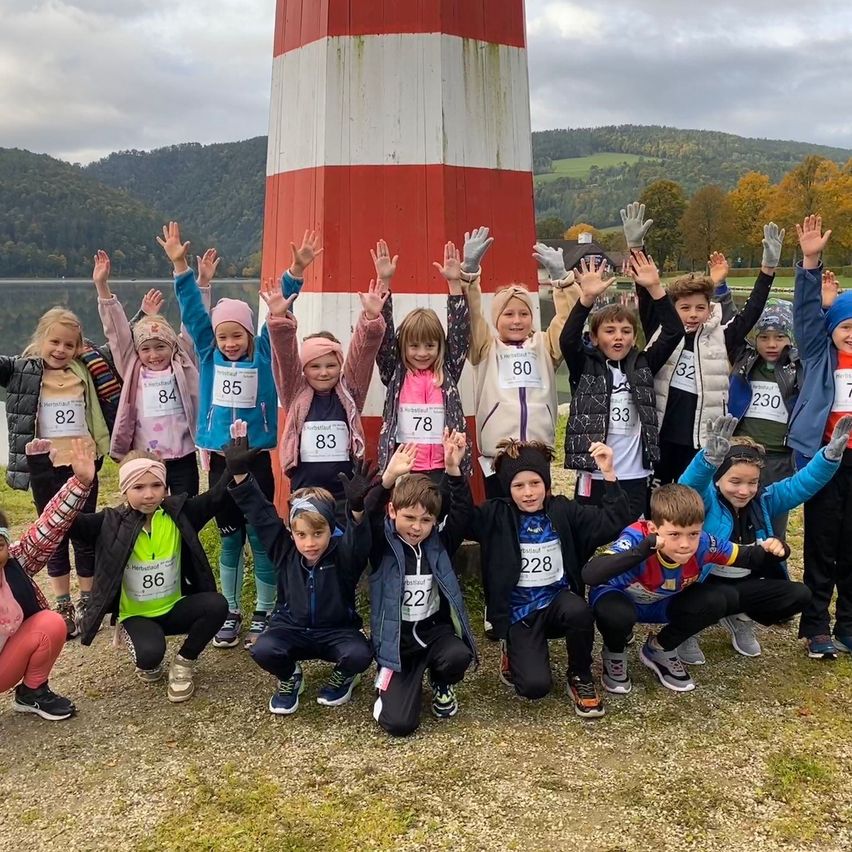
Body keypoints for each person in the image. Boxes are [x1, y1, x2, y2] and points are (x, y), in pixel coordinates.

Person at [30, 449, 230, 703]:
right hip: (137, 615)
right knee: (149, 659)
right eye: (138, 487)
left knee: (217, 605)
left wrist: (234, 466)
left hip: (175, 607)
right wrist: (40, 470)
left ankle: (184, 663)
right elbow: (59, 520)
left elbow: (216, 498)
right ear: (124, 489)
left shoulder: (179, 513)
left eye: (156, 485)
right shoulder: (108, 523)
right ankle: (133, 636)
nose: (149, 494)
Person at [163, 221, 278, 650]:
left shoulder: (263, 357)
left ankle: (265, 608)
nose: (230, 343)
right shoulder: (209, 355)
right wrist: (180, 265)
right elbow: (193, 312)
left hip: (257, 459)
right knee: (229, 537)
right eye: (224, 335)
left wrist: (294, 277)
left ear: (250, 336)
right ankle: (230, 608)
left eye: (238, 335)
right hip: (219, 461)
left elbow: (278, 318)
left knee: (262, 535)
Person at [466, 438, 631, 717]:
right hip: (520, 612)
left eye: (535, 484)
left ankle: (580, 675)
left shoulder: (563, 510)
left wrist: (609, 474)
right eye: (519, 486)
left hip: (557, 603)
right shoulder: (495, 515)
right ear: (508, 489)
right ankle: (513, 647)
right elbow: (459, 519)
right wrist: (452, 472)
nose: (528, 493)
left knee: (579, 610)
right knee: (533, 687)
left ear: (546, 484)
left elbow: (612, 522)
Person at [621, 203, 783, 486]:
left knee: (694, 504)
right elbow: (647, 292)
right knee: (657, 502)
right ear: (674, 308)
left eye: (700, 307)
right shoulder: (662, 331)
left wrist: (767, 270)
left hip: (700, 440)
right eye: (685, 307)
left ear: (709, 308)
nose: (693, 314)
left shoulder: (722, 335)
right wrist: (636, 247)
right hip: (661, 435)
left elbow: (752, 311)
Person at [223, 420, 376, 714]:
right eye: (301, 534)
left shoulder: (342, 555)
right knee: (263, 648)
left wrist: (357, 508)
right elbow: (262, 515)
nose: (309, 543)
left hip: (337, 630)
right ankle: (290, 676)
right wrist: (241, 475)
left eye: (318, 534)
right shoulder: (284, 550)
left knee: (360, 653)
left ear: (332, 529)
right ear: (292, 533)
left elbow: (359, 542)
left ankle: (345, 676)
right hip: (290, 627)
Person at [583, 483, 789, 694]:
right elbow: (591, 574)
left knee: (718, 599)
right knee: (614, 612)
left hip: (661, 601)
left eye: (693, 534)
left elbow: (748, 557)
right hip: (621, 598)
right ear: (654, 529)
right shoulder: (636, 536)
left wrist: (776, 549)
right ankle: (614, 651)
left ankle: (660, 648)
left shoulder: (704, 543)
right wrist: (643, 550)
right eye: (674, 535)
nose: (685, 544)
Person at [678, 414, 849, 660]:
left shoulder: (765, 501)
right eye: (735, 481)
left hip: (744, 582)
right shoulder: (705, 502)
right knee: (711, 599)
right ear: (718, 479)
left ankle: (740, 618)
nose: (744, 490)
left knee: (798, 594)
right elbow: (687, 489)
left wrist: (829, 458)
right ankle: (687, 631)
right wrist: (708, 461)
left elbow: (800, 485)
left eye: (752, 482)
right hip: (704, 583)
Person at [0, 302, 120, 637]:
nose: (61, 350)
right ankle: (63, 603)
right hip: (45, 468)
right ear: (41, 340)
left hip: (83, 462)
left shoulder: (85, 368)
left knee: (84, 535)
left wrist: (133, 313)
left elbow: (121, 343)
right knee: (53, 537)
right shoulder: (22, 369)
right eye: (54, 342)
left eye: (69, 344)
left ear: (79, 347)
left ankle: (87, 600)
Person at [265, 238, 386, 513]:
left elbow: (362, 354)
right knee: (311, 547)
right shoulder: (296, 391)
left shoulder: (349, 391)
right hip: (305, 489)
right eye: (314, 366)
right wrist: (279, 320)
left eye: (330, 365)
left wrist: (369, 319)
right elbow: (285, 357)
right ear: (304, 369)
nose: (323, 372)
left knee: (346, 549)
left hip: (346, 490)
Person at [367, 432, 476, 737]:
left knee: (459, 655)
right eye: (409, 517)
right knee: (400, 725)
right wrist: (387, 479)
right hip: (397, 642)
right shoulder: (381, 545)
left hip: (433, 633)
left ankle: (441, 682)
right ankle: (388, 683)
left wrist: (454, 471)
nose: (416, 527)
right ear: (393, 512)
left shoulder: (439, 544)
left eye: (426, 520)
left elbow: (462, 513)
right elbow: (367, 519)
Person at [561, 251, 683, 520]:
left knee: (632, 541)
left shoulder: (643, 365)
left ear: (634, 336)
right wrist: (586, 299)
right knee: (588, 535)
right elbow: (567, 340)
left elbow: (674, 331)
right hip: (593, 473)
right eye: (609, 331)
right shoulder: (585, 366)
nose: (618, 338)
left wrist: (654, 288)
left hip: (634, 474)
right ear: (594, 337)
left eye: (626, 331)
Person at [465, 227, 579, 496]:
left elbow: (569, 322)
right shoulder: (485, 347)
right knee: (502, 515)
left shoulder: (545, 345)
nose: (517, 320)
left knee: (536, 512)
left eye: (523, 313)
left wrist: (561, 280)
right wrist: (470, 274)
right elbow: (470, 316)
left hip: (538, 449)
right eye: (509, 314)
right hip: (499, 451)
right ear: (497, 319)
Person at [787, 215, 852, 658]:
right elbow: (806, 313)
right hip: (827, 461)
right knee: (822, 544)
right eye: (847, 327)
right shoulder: (818, 352)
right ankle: (816, 626)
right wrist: (810, 261)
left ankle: (848, 623)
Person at [91, 249, 201, 496]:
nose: (153, 355)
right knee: (148, 508)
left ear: (171, 345)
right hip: (146, 456)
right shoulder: (132, 366)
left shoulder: (181, 361)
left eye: (160, 346)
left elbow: (194, 323)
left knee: (186, 510)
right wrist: (102, 288)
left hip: (183, 454)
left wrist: (201, 284)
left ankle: (184, 537)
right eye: (146, 349)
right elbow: (117, 333)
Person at [0, 438, 94, 720]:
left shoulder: (16, 562)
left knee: (52, 623)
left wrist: (80, 482)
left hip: (5, 663)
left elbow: (50, 525)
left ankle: (32, 692)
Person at [373, 240, 472, 482]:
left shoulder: (447, 372)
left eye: (430, 346)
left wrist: (453, 284)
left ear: (440, 347)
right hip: (405, 468)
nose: (422, 353)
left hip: (444, 467)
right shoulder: (395, 373)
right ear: (403, 347)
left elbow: (459, 333)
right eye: (414, 346)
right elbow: (383, 337)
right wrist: (384, 282)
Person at [727, 299, 801, 540]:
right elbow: (734, 325)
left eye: (779, 337)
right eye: (764, 337)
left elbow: (815, 337)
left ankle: (771, 567)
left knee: (773, 519)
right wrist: (723, 292)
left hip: (780, 457)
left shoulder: (799, 366)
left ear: (790, 338)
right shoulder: (744, 360)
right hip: (744, 452)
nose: (771, 344)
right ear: (755, 339)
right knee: (736, 512)